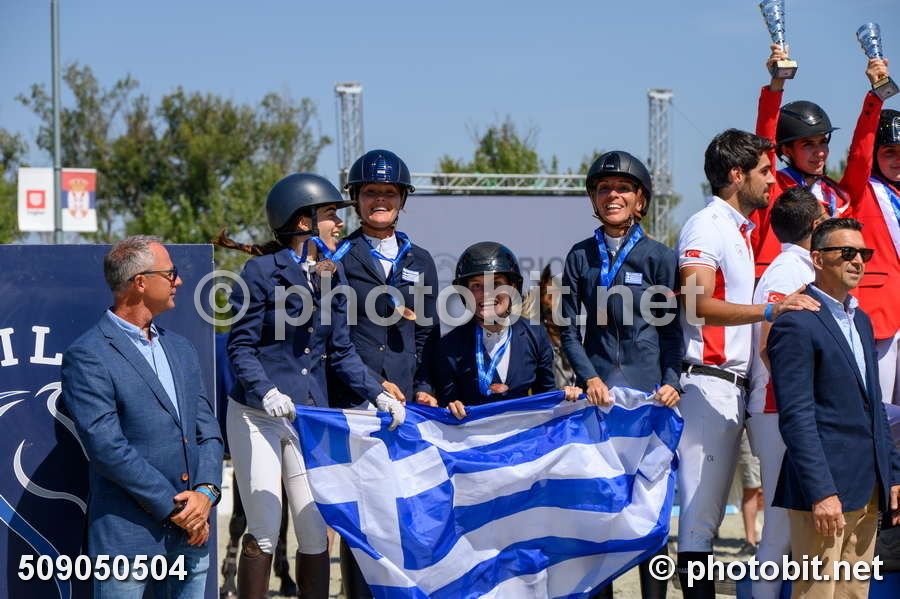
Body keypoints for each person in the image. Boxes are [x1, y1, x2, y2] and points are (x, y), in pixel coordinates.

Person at [221, 173, 406, 599]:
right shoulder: (260, 272)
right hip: (256, 415)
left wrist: (377, 393)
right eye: (330, 214)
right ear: (303, 222)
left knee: (314, 528)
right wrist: (266, 390)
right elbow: (241, 348)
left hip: (306, 415)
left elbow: (341, 353)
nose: (339, 223)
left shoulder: (333, 277)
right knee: (265, 526)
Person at [675, 130, 818, 599]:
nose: (772, 180)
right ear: (737, 175)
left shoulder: (738, 230)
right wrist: (770, 310)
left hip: (733, 388)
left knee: (714, 522)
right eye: (764, 171)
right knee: (699, 526)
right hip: (708, 384)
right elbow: (694, 304)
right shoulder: (705, 225)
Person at [61, 235, 224, 599]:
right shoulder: (88, 355)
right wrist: (178, 509)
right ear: (140, 282)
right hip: (128, 538)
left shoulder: (181, 349)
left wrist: (206, 493)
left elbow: (207, 431)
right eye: (170, 273)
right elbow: (106, 448)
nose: (179, 280)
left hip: (193, 534)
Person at [558, 150, 682, 599]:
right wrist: (589, 377)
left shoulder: (660, 257)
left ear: (640, 200)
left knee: (650, 507)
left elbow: (672, 332)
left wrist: (672, 381)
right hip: (600, 402)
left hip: (649, 400)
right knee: (601, 509)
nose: (613, 195)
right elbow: (568, 330)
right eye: (604, 188)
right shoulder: (579, 256)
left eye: (623, 188)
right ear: (594, 198)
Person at [327, 149, 440, 598]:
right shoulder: (337, 258)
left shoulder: (421, 260)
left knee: (402, 512)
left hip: (405, 406)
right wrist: (373, 386)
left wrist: (424, 386)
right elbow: (333, 337)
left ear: (402, 200)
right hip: (354, 401)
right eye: (371, 192)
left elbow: (427, 334)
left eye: (389, 192)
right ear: (356, 199)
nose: (380, 200)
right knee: (361, 518)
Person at [768, 217, 900, 599]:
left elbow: (874, 408)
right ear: (817, 259)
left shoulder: (862, 321)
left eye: (863, 253)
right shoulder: (796, 324)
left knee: (854, 593)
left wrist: (892, 475)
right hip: (825, 494)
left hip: (868, 488)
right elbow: (796, 417)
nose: (857, 260)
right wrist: (821, 492)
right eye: (846, 252)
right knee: (815, 593)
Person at [746, 186, 828, 599]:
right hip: (777, 409)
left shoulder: (795, 268)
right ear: (816, 225)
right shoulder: (786, 272)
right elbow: (768, 345)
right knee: (780, 530)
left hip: (784, 409)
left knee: (794, 528)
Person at [750, 44, 891, 277]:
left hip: (831, 289)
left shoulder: (841, 195)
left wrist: (876, 96)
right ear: (786, 150)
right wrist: (777, 84)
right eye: (808, 145)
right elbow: (765, 139)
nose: (820, 152)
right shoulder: (774, 187)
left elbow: (860, 156)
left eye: (822, 142)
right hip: (784, 285)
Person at [433, 242, 579, 416]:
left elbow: (546, 398)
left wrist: (567, 397)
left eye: (496, 284)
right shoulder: (449, 346)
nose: (487, 293)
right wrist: (449, 407)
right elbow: (445, 402)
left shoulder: (535, 335)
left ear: (513, 288)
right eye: (477, 286)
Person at [845, 108, 900, 406]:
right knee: (878, 413)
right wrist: (874, 100)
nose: (898, 159)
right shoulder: (862, 190)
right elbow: (858, 154)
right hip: (880, 319)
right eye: (889, 151)